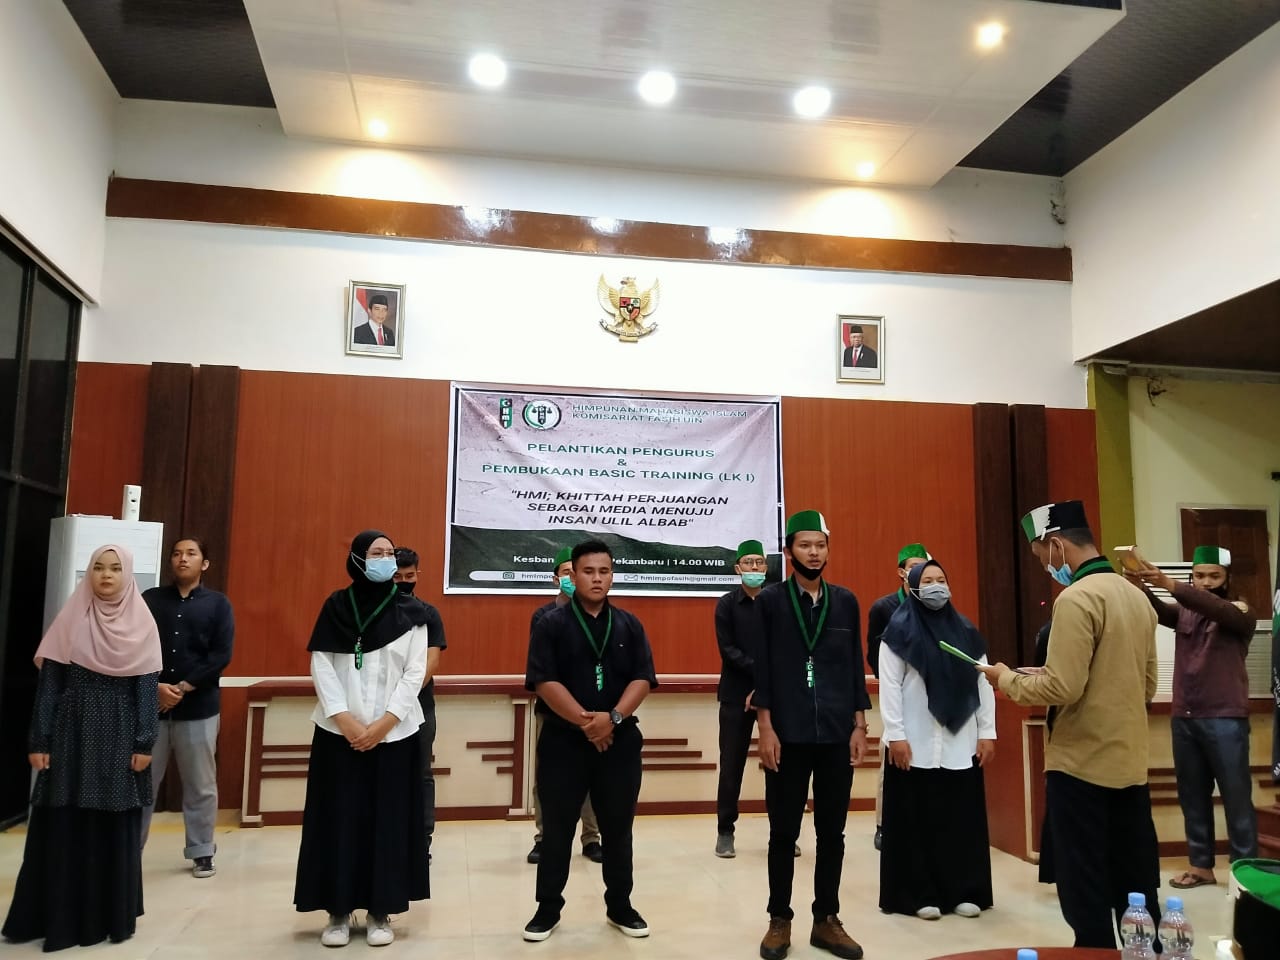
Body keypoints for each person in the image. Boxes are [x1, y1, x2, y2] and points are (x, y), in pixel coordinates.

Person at [977, 500, 1161, 950]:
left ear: (1056, 544)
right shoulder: (1135, 597)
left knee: (1085, 883)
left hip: (1081, 767)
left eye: (1042, 555)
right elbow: (1147, 684)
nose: (1046, 566)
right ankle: (1147, 952)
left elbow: (1063, 687)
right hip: (1129, 766)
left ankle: (1095, 954)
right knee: (1136, 881)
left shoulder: (1077, 599)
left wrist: (1007, 679)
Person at [2, 544, 161, 951]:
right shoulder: (71, 619)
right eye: (98, 568)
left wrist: (145, 742)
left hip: (120, 736)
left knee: (110, 822)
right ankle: (57, 916)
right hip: (69, 734)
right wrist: (39, 738)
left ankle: (106, 918)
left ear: (127, 575)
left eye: (115, 569)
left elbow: (146, 690)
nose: (106, 575)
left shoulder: (143, 625)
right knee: (64, 821)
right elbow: (50, 686)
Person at [294, 531, 431, 948]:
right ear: (357, 559)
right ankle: (337, 911)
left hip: (395, 735)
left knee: (387, 823)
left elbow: (415, 672)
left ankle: (379, 910)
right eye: (376, 553)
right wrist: (345, 720)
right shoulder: (337, 606)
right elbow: (322, 663)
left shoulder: (413, 612)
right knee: (339, 820)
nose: (385, 559)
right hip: (339, 734)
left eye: (390, 553)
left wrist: (385, 723)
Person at [522, 540, 657, 942]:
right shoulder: (550, 624)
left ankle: (620, 906)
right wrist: (587, 724)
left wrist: (611, 719)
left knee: (618, 830)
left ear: (612, 576)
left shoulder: (630, 624)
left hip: (619, 741)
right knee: (557, 830)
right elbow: (544, 681)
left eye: (604, 571)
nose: (597, 579)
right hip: (564, 742)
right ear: (573, 575)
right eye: (588, 571)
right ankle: (547, 909)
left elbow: (643, 678)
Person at [754, 510, 869, 960]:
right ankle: (779, 919)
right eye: (805, 545)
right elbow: (763, 668)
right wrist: (765, 728)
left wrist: (860, 724)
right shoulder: (770, 602)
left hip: (836, 734)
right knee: (783, 833)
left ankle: (826, 920)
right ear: (789, 552)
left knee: (832, 833)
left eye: (820, 545)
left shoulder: (845, 601)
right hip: (787, 733)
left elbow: (855, 666)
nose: (814, 553)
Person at [1128, 544, 1258, 888]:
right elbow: (1159, 611)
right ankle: (1201, 867)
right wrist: (1141, 588)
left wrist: (1169, 584)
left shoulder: (1240, 610)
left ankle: (1245, 872)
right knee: (1192, 796)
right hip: (1184, 716)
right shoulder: (1185, 611)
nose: (1206, 582)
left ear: (1227, 579)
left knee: (1236, 798)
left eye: (1214, 576)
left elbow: (1214, 608)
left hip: (1226, 718)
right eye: (1199, 576)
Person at [878, 559, 995, 921]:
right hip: (915, 743)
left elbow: (983, 682)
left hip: (960, 740)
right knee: (917, 821)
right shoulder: (898, 632)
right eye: (926, 581)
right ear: (913, 588)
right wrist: (895, 735)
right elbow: (890, 687)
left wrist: (987, 731)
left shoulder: (966, 631)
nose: (935, 587)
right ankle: (919, 894)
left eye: (941, 579)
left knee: (959, 820)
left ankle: (964, 891)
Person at [140, 537, 235, 879]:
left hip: (199, 707)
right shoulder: (150, 600)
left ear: (204, 563)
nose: (183, 558)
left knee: (200, 784)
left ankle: (202, 851)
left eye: (191, 553)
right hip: (150, 706)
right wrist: (155, 687)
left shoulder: (218, 604)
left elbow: (221, 654)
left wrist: (182, 687)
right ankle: (128, 851)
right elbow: (135, 647)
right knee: (141, 782)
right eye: (177, 554)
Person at [527, 547, 603, 866]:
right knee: (548, 778)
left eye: (577, 571)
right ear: (555, 579)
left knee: (592, 777)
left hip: (592, 712)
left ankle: (591, 838)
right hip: (553, 711)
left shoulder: (601, 615)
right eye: (566, 572)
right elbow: (543, 668)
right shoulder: (543, 617)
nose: (573, 578)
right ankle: (545, 838)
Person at [864, 542, 930, 851]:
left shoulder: (933, 604)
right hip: (897, 694)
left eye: (924, 567)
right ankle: (883, 824)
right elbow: (873, 655)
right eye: (913, 567)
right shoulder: (884, 608)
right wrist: (892, 684)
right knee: (889, 757)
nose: (919, 573)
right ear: (901, 572)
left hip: (929, 697)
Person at [393, 547, 448, 865]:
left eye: (409, 576)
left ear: (417, 574)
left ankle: (422, 840)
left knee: (421, 773)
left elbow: (432, 661)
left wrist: (403, 695)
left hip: (419, 707)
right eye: (397, 577)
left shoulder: (428, 613)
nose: (404, 582)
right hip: (378, 710)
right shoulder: (377, 613)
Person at [714, 539, 767, 858]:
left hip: (773, 695)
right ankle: (725, 831)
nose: (754, 568)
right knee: (731, 765)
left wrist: (764, 684)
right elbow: (728, 650)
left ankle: (783, 832)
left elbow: (783, 646)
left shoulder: (776, 603)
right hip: (735, 695)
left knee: (779, 765)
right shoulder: (726, 604)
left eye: (759, 562)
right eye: (749, 562)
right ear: (738, 568)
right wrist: (759, 674)